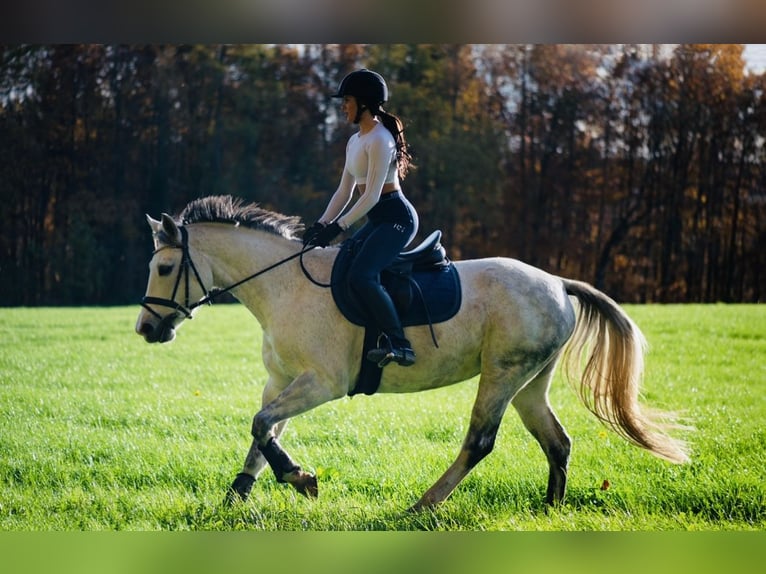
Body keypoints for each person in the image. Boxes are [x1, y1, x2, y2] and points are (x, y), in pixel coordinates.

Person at [303, 68, 419, 367]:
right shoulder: (355, 141)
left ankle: (400, 344)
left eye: (348, 100)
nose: (343, 106)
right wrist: (321, 224)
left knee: (362, 275)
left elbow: (371, 195)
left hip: (396, 217)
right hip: (377, 219)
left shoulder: (380, 139)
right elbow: (344, 191)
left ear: (364, 104)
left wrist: (338, 227)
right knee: (343, 264)